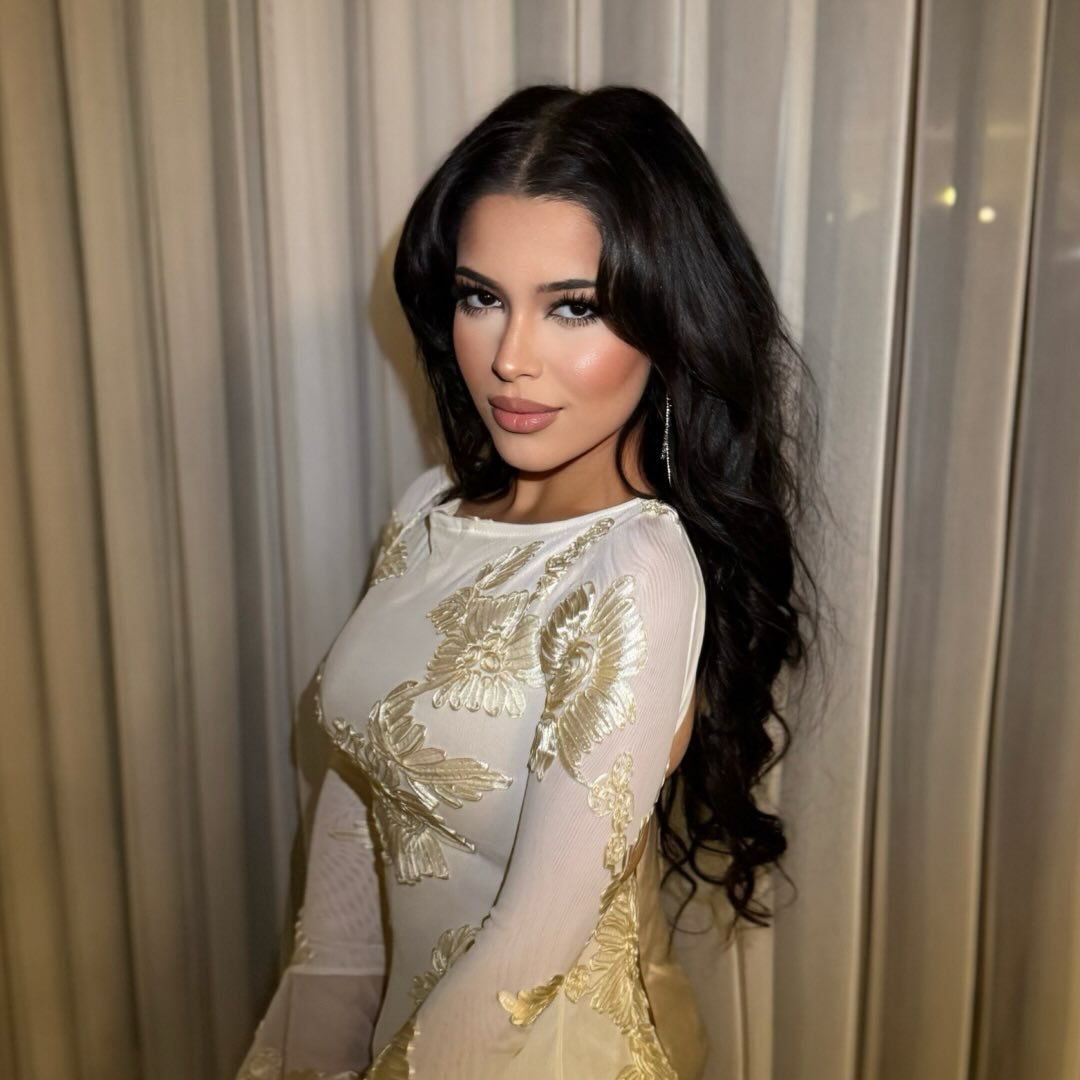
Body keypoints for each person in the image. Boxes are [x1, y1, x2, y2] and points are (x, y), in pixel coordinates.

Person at [236, 83, 822, 1079]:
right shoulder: (429, 513)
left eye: (574, 308)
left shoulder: (637, 569)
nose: (510, 359)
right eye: (481, 298)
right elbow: (350, 842)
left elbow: (519, 965)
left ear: (670, 321)